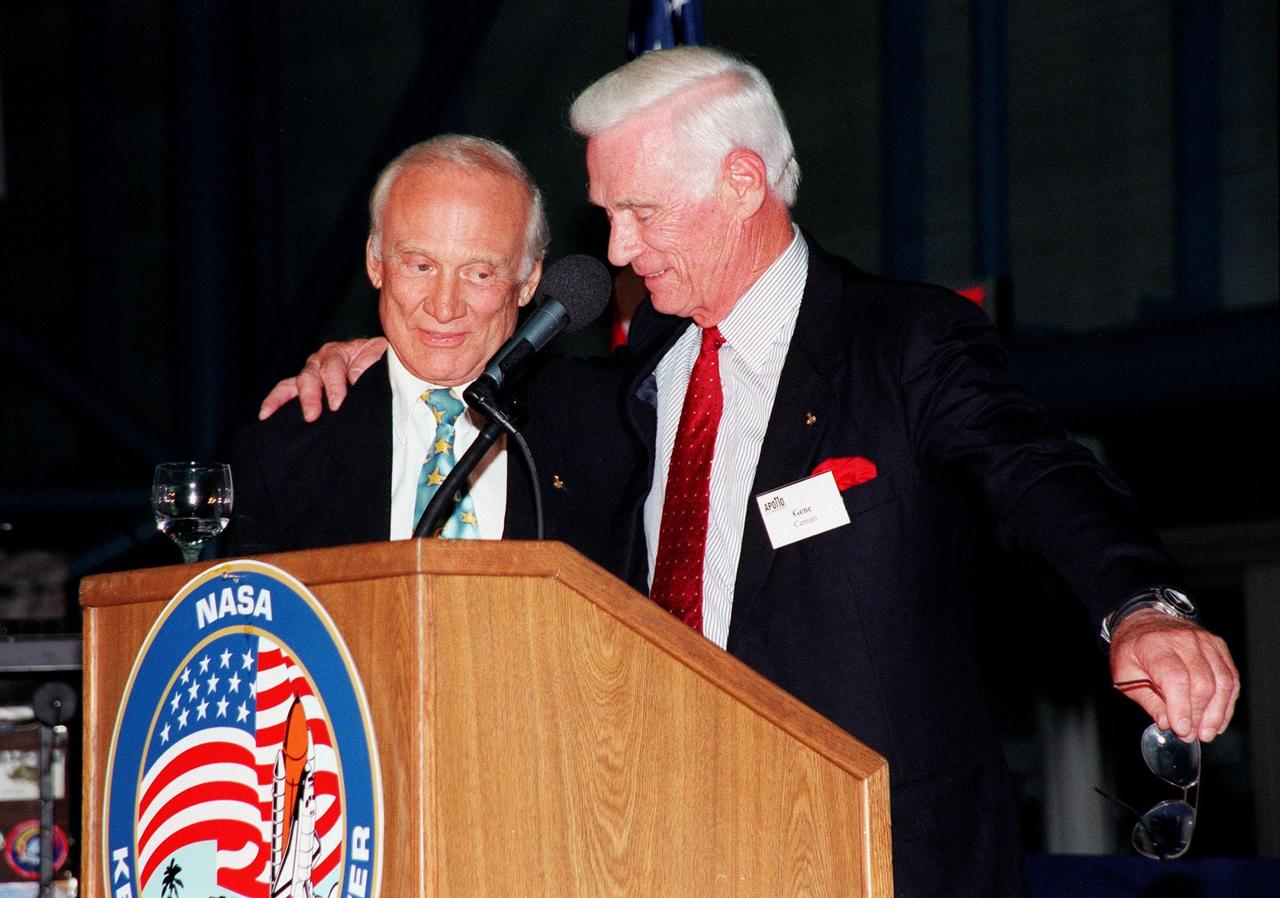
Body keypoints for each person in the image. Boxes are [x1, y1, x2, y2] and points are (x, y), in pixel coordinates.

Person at [260, 49, 1239, 896]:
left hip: (873, 856)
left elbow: (1042, 476)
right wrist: (381, 364)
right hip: (664, 850)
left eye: (639, 212)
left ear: (740, 183)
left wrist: (1141, 606)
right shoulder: (639, 370)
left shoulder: (900, 344)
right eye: (607, 216)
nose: (617, 249)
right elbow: (470, 372)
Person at [227, 134, 628, 565]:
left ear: (528, 281)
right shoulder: (283, 453)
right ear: (375, 263)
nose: (444, 307)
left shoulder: (611, 424)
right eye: (421, 266)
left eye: (479, 274)